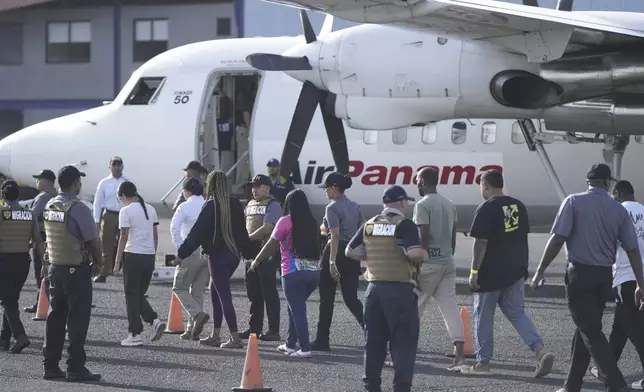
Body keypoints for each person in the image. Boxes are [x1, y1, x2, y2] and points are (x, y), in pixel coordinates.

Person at [531, 163, 644, 392]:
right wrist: (641, 284)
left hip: (579, 275)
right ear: (606, 182)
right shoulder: (618, 209)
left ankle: (616, 384)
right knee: (585, 328)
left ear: (587, 182)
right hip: (604, 277)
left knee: (590, 331)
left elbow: (557, 240)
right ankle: (571, 385)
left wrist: (540, 271)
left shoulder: (573, 201)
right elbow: (632, 250)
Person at [462, 169, 554, 377]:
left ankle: (483, 363)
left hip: (490, 273)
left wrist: (474, 271)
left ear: (485, 184)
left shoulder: (486, 208)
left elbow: (481, 242)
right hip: (515, 270)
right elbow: (521, 237)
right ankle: (540, 350)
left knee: (483, 316)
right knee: (517, 313)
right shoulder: (518, 206)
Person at [345, 185, 427, 392]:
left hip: (373, 291)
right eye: (406, 202)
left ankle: (371, 387)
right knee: (403, 345)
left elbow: (350, 251)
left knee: (373, 344)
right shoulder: (404, 224)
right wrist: (424, 254)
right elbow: (414, 254)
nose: (407, 205)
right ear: (400, 202)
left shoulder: (370, 224)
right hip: (399, 290)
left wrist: (370, 257)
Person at [175, 170, 253, 349]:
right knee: (216, 291)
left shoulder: (210, 205)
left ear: (210, 185)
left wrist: (182, 253)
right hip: (233, 255)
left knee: (223, 294)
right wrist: (249, 255)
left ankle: (235, 337)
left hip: (218, 256)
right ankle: (215, 335)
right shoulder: (234, 203)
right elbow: (242, 232)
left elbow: (196, 233)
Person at [42, 165, 102, 381]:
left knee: (55, 317)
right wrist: (99, 262)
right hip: (76, 270)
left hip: (55, 267)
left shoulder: (50, 205)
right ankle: (75, 367)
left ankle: (50, 366)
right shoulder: (78, 208)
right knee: (77, 319)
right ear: (75, 183)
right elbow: (93, 240)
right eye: (79, 181)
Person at [588, 180, 644, 390]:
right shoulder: (643, 211)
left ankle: (606, 369)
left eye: (613, 196)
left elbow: (608, 244)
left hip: (625, 277)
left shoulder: (618, 212)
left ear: (618, 193)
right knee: (620, 327)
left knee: (636, 330)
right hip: (641, 279)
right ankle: (605, 368)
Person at [250, 189, 320, 358]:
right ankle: (290, 344)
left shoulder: (285, 221)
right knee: (293, 307)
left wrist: (257, 260)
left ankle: (304, 348)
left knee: (297, 310)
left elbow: (271, 245)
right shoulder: (313, 222)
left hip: (292, 272)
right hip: (313, 272)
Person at [410, 167, 466, 370]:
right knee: (450, 308)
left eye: (417, 180)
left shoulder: (422, 205)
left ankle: (402, 351)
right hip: (447, 262)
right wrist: (447, 255)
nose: (416, 184)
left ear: (423, 182)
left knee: (414, 306)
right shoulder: (449, 204)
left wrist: (418, 263)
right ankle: (459, 357)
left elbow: (423, 236)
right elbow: (452, 237)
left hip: (429, 264)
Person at [312, 171, 364, 351]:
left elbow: (334, 235)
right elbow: (362, 229)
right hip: (351, 251)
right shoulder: (354, 205)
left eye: (326, 188)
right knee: (351, 299)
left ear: (334, 188)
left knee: (326, 298)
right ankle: (372, 331)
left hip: (334, 251)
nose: (325, 192)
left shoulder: (331, 207)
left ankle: (322, 340)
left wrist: (332, 262)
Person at [113, 181, 165, 346]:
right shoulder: (150, 209)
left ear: (123, 196)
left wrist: (116, 262)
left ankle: (134, 334)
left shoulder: (125, 211)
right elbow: (155, 236)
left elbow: (123, 237)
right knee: (138, 294)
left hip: (133, 256)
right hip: (148, 257)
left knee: (131, 295)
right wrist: (152, 255)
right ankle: (154, 320)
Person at [0, 180, 43, 353]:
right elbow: (38, 240)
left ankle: (20, 336)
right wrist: (45, 264)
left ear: (2, 196)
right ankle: (4, 339)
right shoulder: (28, 214)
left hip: (4, 261)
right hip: (23, 262)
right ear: (18, 195)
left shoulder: (1, 212)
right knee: (11, 298)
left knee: (8, 300)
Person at [240, 174, 282, 341]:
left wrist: (246, 239)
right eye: (253, 186)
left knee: (269, 292)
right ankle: (254, 329)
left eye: (258, 186)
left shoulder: (273, 205)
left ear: (267, 188)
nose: (254, 189)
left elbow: (268, 228)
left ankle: (274, 330)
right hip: (250, 254)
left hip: (266, 254)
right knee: (254, 293)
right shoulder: (249, 204)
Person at [170, 177, 210, 341]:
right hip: (207, 253)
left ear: (186, 191)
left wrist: (181, 248)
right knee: (198, 291)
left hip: (190, 252)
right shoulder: (208, 205)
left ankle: (197, 315)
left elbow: (174, 228)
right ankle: (192, 330)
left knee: (179, 288)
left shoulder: (184, 206)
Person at [92, 156, 134, 283]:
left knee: (128, 243)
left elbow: (133, 199)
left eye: (119, 164)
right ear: (110, 166)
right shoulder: (104, 182)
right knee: (106, 244)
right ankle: (104, 272)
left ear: (122, 166)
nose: (116, 167)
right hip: (109, 214)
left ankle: (127, 273)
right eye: (114, 164)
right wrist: (97, 220)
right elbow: (98, 202)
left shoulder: (128, 182)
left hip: (124, 213)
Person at [24, 169, 57, 314]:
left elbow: (33, 218)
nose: (36, 182)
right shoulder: (58, 196)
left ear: (46, 181)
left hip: (42, 238)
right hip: (55, 238)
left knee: (40, 271)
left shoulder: (42, 197)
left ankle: (40, 303)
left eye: (39, 179)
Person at [233, 90, 252, 194]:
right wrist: (249, 132)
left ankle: (242, 182)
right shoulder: (245, 107)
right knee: (243, 157)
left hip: (241, 130)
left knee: (243, 156)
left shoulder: (241, 106)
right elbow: (246, 118)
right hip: (243, 131)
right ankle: (241, 183)